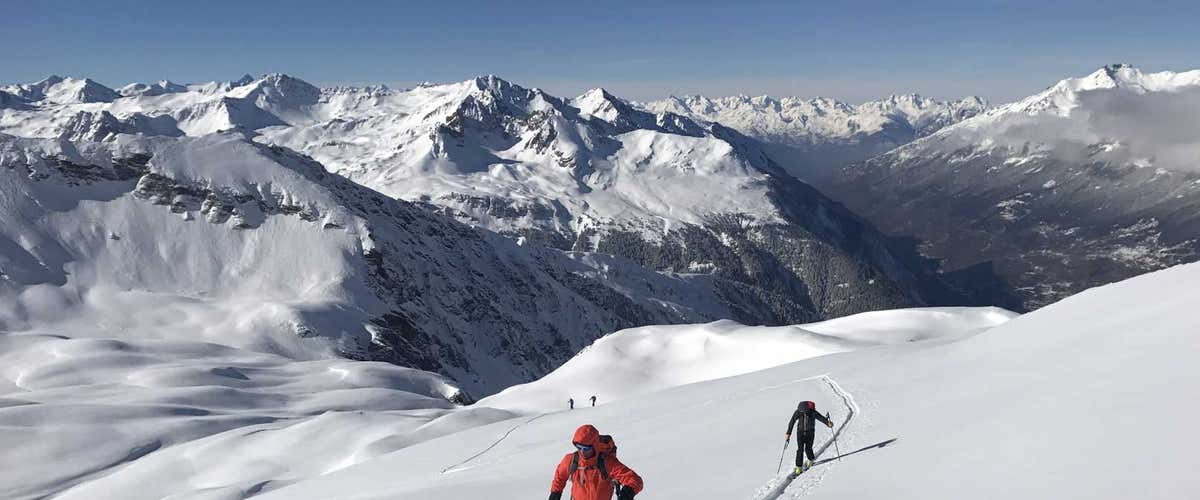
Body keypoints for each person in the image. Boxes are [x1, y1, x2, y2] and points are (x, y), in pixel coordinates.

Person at [549, 424, 643, 500]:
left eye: (586, 448)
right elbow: (559, 477)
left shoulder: (607, 463)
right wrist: (555, 494)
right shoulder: (572, 460)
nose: (582, 452)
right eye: (578, 447)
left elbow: (635, 480)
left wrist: (626, 494)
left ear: (594, 445)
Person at [785, 400, 833, 474]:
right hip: (800, 433)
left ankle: (810, 460)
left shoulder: (812, 412)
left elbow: (821, 418)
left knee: (808, 448)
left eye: (804, 411)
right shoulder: (798, 412)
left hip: (810, 433)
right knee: (800, 450)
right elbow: (792, 422)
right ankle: (798, 467)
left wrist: (828, 423)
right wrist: (788, 433)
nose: (802, 412)